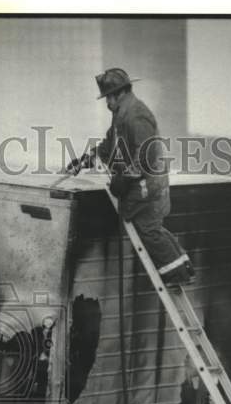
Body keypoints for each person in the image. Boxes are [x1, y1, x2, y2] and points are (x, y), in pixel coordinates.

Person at [65, 67, 194, 285]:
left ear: (120, 93)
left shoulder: (137, 116)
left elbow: (145, 155)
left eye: (108, 98)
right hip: (143, 183)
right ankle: (183, 267)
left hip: (148, 186)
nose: (107, 103)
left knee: (148, 230)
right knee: (153, 228)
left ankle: (178, 274)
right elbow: (109, 145)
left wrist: (124, 178)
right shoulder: (121, 115)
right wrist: (87, 160)